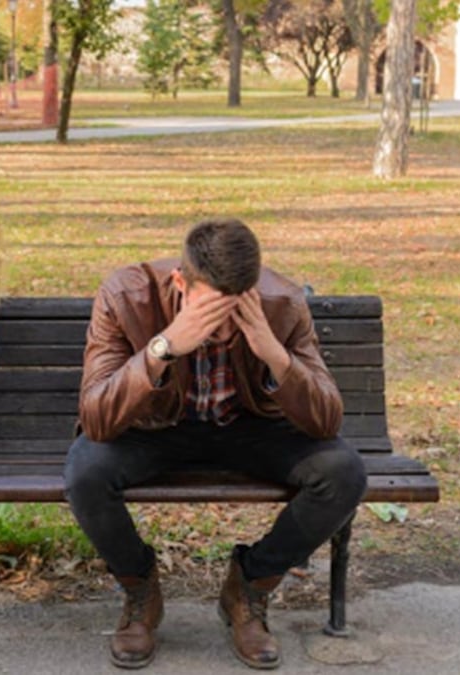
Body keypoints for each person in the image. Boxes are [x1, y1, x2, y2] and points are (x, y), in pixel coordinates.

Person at [64, 219, 367, 670]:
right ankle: (140, 588)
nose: (222, 331)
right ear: (181, 282)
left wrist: (270, 350)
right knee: (85, 471)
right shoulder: (126, 295)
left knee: (343, 472)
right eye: (210, 313)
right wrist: (162, 349)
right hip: (157, 429)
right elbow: (97, 419)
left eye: (234, 314)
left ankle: (250, 586)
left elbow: (326, 420)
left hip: (249, 428)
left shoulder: (281, 302)